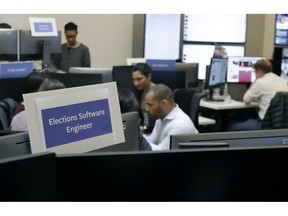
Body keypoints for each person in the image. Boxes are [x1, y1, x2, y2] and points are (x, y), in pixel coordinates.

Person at [228, 59, 288, 131]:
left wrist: (255, 82)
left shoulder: (260, 82)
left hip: (265, 124)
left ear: (259, 71)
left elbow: (246, 99)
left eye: (255, 73)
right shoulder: (282, 80)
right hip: (281, 123)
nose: (255, 75)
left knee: (231, 126)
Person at [143, 84, 198, 151]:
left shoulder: (179, 125)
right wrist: (136, 134)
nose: (147, 109)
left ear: (163, 104)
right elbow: (151, 141)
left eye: (150, 105)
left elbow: (161, 152)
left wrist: (139, 138)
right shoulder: (161, 118)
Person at [131, 63, 156, 133]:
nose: (136, 83)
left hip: (151, 132)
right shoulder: (141, 92)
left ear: (149, 76)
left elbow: (157, 122)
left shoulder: (157, 93)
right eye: (134, 80)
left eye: (139, 79)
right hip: (144, 131)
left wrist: (144, 128)